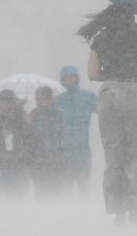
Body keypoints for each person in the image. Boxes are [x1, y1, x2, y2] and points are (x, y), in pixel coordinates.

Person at [77, 2, 137, 225]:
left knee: (114, 153)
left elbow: (92, 73)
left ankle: (117, 210)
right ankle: (131, 195)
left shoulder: (100, 38)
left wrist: (114, 71)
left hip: (110, 94)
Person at [55, 65, 98, 197]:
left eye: (72, 77)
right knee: (67, 185)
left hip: (82, 149)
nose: (69, 80)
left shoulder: (88, 97)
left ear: (77, 78)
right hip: (64, 149)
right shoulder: (58, 100)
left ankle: (84, 212)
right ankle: (69, 214)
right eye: (66, 78)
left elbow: (103, 110)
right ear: (62, 80)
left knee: (83, 183)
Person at [26, 86, 66, 197]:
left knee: (54, 193)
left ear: (50, 99)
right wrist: (27, 125)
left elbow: (58, 136)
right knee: (40, 194)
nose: (38, 102)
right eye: (37, 99)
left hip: (55, 161)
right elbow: (28, 139)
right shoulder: (32, 115)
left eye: (41, 99)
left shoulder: (58, 115)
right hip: (38, 162)